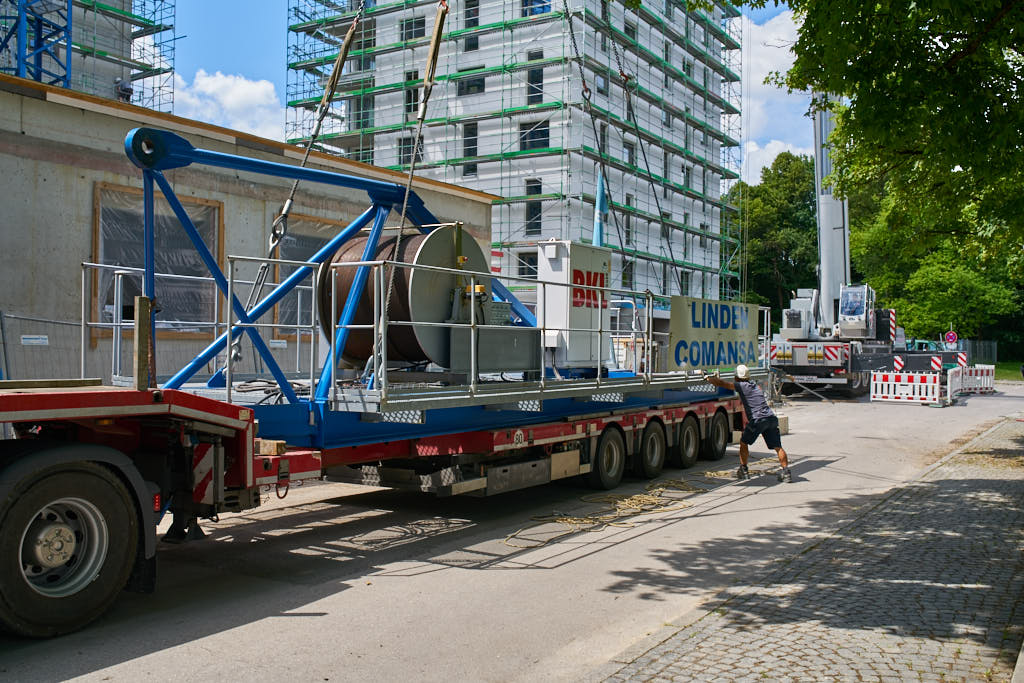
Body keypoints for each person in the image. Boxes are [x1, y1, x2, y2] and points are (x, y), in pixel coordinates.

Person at [704, 364, 792, 483]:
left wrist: (708, 378)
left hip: (758, 420)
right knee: (778, 447)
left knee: (744, 442)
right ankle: (786, 472)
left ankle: (744, 470)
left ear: (737, 377)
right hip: (770, 418)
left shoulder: (741, 385)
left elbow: (722, 384)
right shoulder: (754, 385)